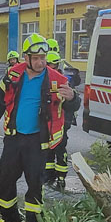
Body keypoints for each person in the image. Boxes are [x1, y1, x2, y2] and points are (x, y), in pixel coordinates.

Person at [0, 34, 78, 222]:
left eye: (43, 57)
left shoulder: (57, 79)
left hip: (38, 141)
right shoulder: (13, 75)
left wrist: (73, 98)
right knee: (6, 177)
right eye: (35, 58)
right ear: (25, 58)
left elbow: (73, 105)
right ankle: (9, 216)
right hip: (13, 138)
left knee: (35, 182)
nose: (40, 62)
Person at [44, 51, 81, 192]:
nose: (50, 67)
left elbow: (73, 94)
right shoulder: (45, 77)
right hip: (49, 122)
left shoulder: (63, 78)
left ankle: (60, 177)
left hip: (63, 121)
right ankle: (49, 175)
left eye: (52, 64)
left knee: (60, 149)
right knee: (49, 150)